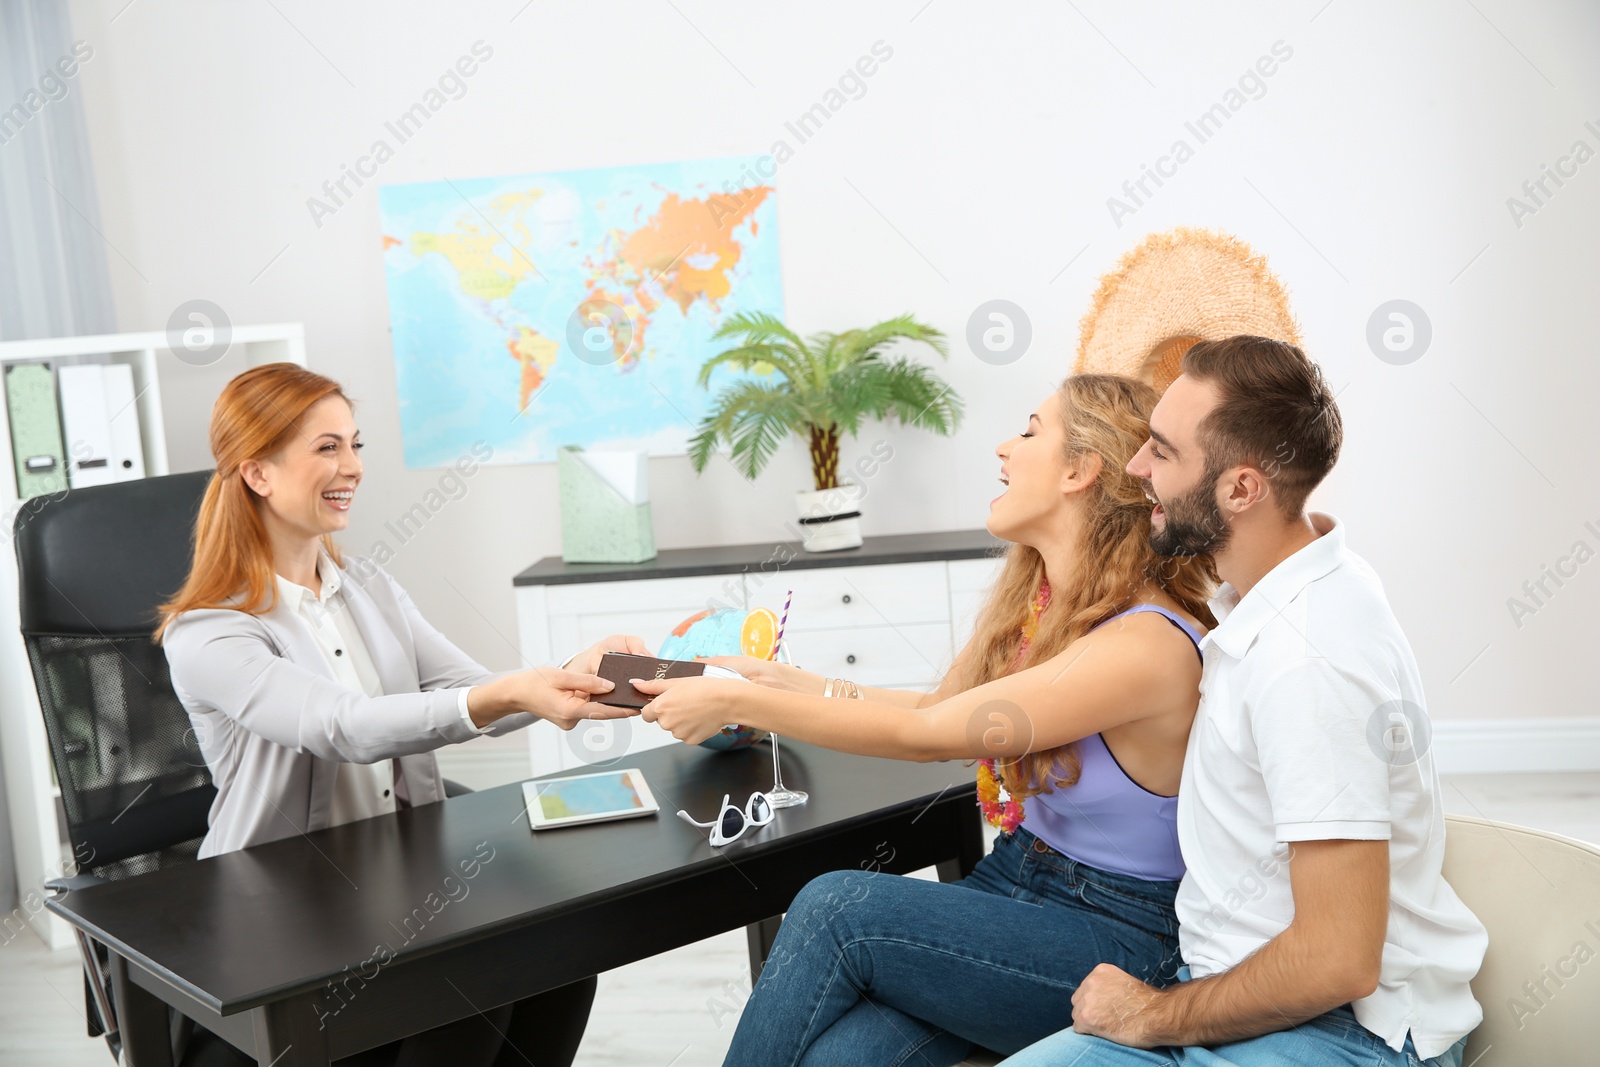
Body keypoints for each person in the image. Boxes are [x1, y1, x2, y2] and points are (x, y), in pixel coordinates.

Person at [630, 373, 1218, 1065]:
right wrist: (786, 681)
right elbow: (938, 708)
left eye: (1029, 430)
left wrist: (742, 702)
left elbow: (925, 740)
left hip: (1119, 935)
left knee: (835, 908)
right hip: (1016, 880)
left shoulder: (1146, 645)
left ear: (1081, 469)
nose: (1004, 447)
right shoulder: (1042, 600)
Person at [995, 336, 1488, 1066]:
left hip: (1344, 1031)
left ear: (1241, 489)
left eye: (1161, 451)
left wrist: (1154, 1014)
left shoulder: (1308, 661)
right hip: (1244, 994)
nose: (1135, 469)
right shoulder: (1279, 595)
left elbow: (1336, 959)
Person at [158, 363, 643, 1067]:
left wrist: (575, 672)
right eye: (326, 448)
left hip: (395, 884)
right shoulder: (210, 632)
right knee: (472, 985)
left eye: (355, 445)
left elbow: (478, 691)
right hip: (281, 917)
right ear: (257, 472)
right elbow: (344, 726)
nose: (351, 466)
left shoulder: (368, 587)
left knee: (561, 957)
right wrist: (512, 692)